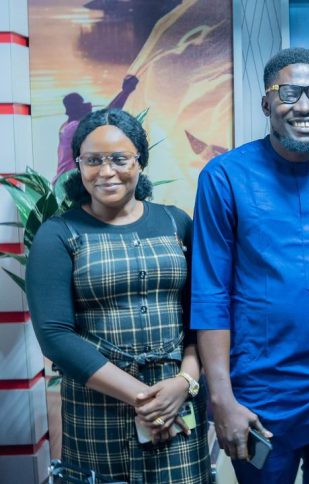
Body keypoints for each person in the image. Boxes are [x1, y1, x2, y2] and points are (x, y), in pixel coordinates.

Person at [191, 47, 309, 483]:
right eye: (289, 93)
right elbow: (210, 293)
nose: (305, 106)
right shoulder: (224, 177)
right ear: (266, 103)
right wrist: (221, 398)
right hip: (259, 399)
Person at [27, 108, 209, 483]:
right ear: (78, 165)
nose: (106, 171)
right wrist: (145, 399)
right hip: (98, 412)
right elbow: (55, 336)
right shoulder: (58, 234)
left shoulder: (176, 223)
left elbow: (201, 316)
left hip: (177, 403)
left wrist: (184, 383)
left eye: (119, 159)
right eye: (92, 160)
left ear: (140, 161)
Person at [56, 75, 138, 181]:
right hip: (68, 183)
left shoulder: (66, 126)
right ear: (74, 109)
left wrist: (124, 91)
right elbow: (108, 115)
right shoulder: (74, 128)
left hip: (67, 181)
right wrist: (126, 92)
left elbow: (106, 113)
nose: (87, 104)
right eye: (82, 103)